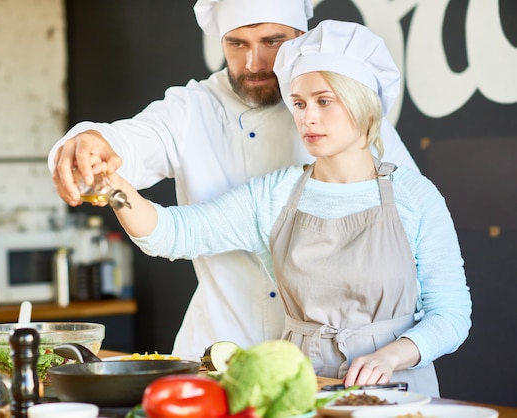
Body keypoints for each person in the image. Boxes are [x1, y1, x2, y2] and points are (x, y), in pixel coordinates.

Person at [98, 20, 472, 396]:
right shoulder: (275, 194)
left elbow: (451, 314)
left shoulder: (415, 196)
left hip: (400, 390)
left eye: (324, 101)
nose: (307, 117)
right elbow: (174, 234)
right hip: (300, 390)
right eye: (299, 103)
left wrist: (390, 356)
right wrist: (112, 186)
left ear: (363, 105)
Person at [48, 0, 420, 358]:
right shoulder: (192, 110)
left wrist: (397, 352)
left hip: (333, 360)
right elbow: (132, 147)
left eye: (272, 42)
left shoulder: (348, 112)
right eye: (236, 43)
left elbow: (408, 233)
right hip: (220, 348)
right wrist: (93, 143)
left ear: (301, 35)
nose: (253, 62)